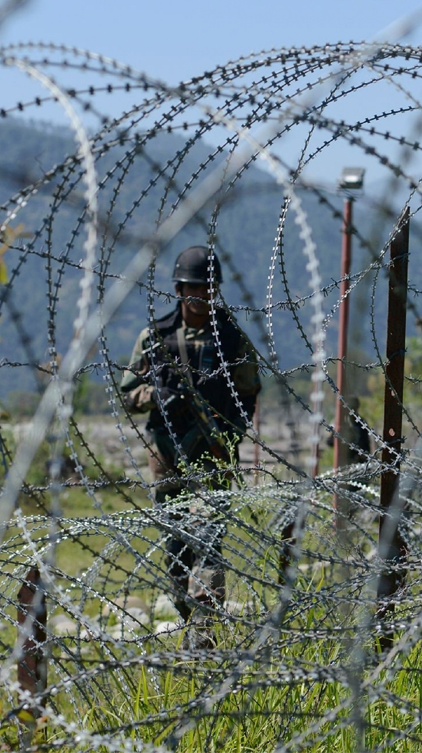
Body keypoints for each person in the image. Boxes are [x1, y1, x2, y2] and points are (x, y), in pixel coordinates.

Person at [120, 246, 260, 645]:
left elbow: (248, 396)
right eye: (192, 288)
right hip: (167, 452)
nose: (199, 296)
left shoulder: (231, 339)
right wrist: (156, 396)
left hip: (213, 453)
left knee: (211, 540)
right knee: (175, 545)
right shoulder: (155, 337)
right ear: (179, 290)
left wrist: (229, 437)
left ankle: (203, 631)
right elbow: (128, 392)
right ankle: (188, 611)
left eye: (207, 289)